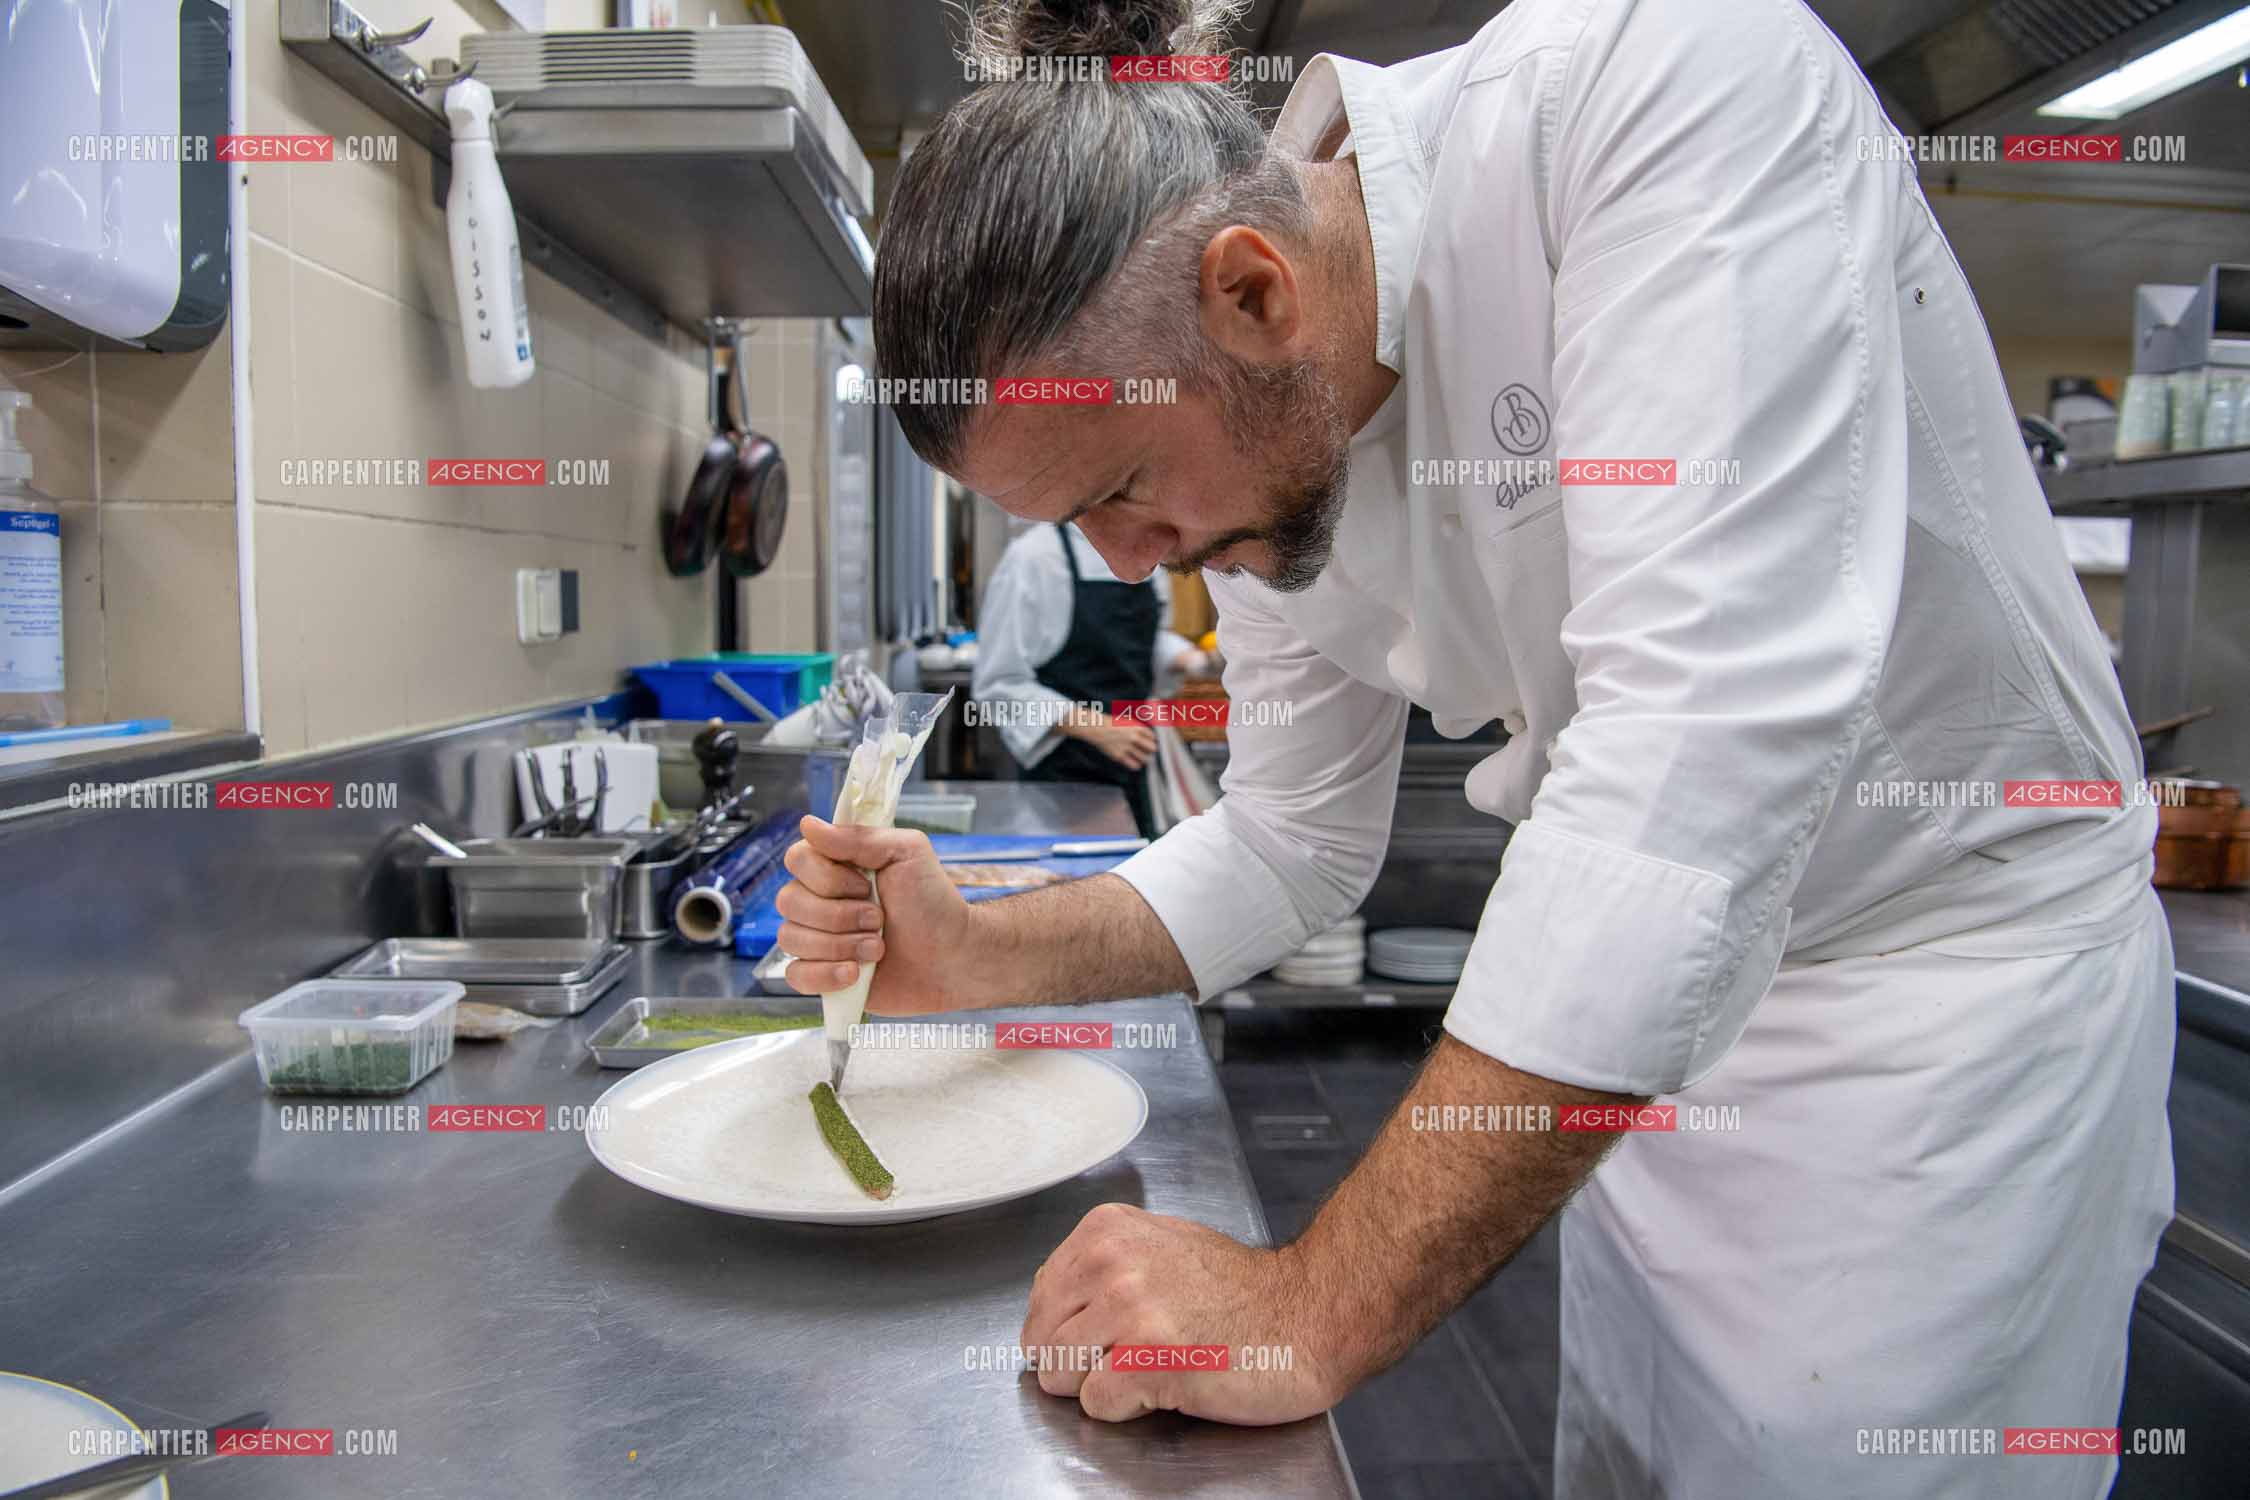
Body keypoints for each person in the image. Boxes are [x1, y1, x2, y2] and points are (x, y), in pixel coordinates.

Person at [777, 2, 2175, 1496]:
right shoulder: (1258, 421)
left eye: (1122, 489)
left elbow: (1697, 760)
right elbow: (1287, 838)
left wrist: (1305, 1305)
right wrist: (976, 957)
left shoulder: (1653, 87)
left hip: (1940, 1003)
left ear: (1251, 293)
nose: (1126, 567)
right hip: (1651, 1045)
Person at [973, 520, 1213, 838]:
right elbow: (999, 685)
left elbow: (1146, 641)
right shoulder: (1035, 557)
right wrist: (1098, 728)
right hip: (1066, 774)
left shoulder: (1147, 555)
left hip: (1136, 758)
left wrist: (1196, 661)